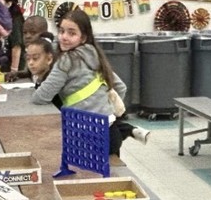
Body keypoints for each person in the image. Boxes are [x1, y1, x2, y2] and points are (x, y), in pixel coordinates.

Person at [31, 9, 148, 156]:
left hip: (88, 139)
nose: (64, 37)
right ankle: (126, 129)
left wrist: (39, 79)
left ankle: (127, 129)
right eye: (61, 31)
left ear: (83, 37)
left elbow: (40, 97)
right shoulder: (95, 54)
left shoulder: (66, 61)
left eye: (71, 33)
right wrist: (104, 109)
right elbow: (121, 87)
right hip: (111, 134)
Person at [5, 15, 50, 81]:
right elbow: (30, 73)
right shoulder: (30, 51)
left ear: (45, 34)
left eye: (33, 33)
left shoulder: (50, 54)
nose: (27, 36)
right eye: (25, 33)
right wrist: (16, 74)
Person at [1, 0, 24, 75]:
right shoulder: (4, 17)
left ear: (9, 3)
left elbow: (16, 46)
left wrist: (14, 71)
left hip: (12, 67)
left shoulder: (15, 20)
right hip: (3, 65)